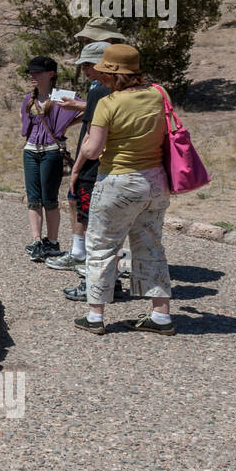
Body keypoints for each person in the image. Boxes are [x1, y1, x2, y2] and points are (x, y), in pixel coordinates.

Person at [73, 43, 174, 335]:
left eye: (105, 71)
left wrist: (90, 134)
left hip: (118, 181)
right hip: (155, 182)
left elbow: (93, 150)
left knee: (102, 247)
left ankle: (95, 316)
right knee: (150, 245)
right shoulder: (159, 94)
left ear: (113, 74)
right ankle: (161, 315)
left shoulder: (108, 103)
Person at [50, 41, 127, 301]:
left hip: (93, 168)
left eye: (87, 64)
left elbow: (91, 140)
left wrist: (76, 169)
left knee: (94, 229)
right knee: (111, 230)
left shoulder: (98, 91)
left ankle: (93, 287)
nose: (84, 70)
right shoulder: (133, 90)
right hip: (125, 169)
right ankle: (112, 280)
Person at [21, 56, 81, 261]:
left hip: (52, 151)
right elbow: (26, 128)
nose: (32, 76)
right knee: (33, 199)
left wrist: (66, 126)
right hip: (30, 150)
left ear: (51, 74)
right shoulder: (28, 99)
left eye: (37, 72)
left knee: (50, 199)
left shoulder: (62, 96)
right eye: (31, 72)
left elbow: (90, 107)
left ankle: (53, 242)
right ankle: (37, 241)